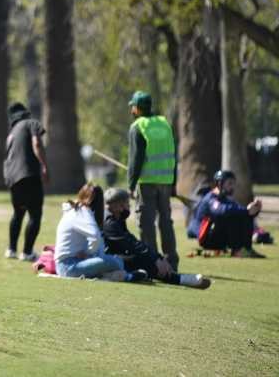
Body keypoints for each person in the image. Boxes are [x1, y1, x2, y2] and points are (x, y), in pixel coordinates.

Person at [103, 188, 211, 289]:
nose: (129, 207)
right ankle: (178, 279)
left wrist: (158, 257)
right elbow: (132, 245)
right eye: (127, 204)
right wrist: (155, 259)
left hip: (116, 257)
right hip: (110, 260)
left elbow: (133, 241)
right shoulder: (110, 224)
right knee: (143, 259)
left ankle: (141, 275)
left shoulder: (116, 219)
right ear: (118, 206)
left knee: (144, 258)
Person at [127, 90, 179, 271]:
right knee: (166, 221)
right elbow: (174, 154)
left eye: (133, 106)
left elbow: (136, 159)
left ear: (138, 108)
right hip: (165, 180)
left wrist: (131, 185)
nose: (131, 109)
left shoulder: (138, 127)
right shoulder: (165, 124)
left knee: (146, 223)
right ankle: (171, 261)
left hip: (147, 182)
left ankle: (152, 262)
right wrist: (174, 183)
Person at [55, 183, 146, 282]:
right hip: (69, 266)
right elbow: (95, 237)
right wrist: (88, 254)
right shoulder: (82, 212)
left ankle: (111, 275)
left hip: (71, 263)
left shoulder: (78, 211)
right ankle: (127, 277)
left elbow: (97, 241)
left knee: (114, 259)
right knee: (116, 262)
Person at [2, 102, 49, 261]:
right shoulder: (31, 123)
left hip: (12, 177)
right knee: (35, 214)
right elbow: (36, 143)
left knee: (18, 212)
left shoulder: (12, 133)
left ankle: (11, 249)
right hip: (29, 174)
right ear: (26, 114)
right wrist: (44, 165)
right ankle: (27, 252)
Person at [192, 170, 264, 258]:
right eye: (229, 183)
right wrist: (246, 211)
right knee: (231, 214)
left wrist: (254, 211)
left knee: (242, 214)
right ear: (219, 183)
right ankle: (237, 250)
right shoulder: (211, 198)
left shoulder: (226, 199)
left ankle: (246, 249)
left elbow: (240, 211)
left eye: (233, 184)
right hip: (206, 239)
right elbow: (221, 210)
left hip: (218, 237)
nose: (232, 187)